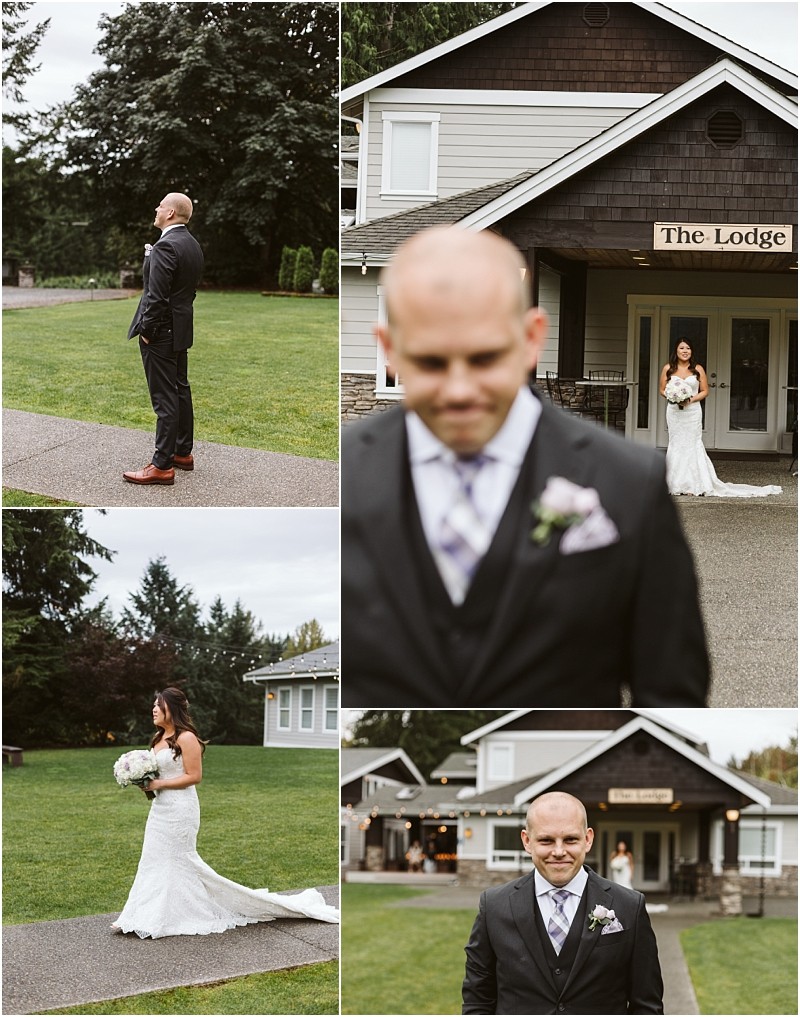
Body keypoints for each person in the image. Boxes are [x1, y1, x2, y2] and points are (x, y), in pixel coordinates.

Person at [342, 226, 709, 707]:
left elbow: (669, 692)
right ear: (389, 348)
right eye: (430, 362)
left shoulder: (629, 481)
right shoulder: (346, 474)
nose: (459, 391)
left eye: (485, 358)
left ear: (532, 339)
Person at [112, 687, 339, 938]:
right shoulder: (157, 739)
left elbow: (194, 776)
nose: (153, 709)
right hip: (160, 808)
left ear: (172, 709)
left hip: (181, 809)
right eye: (153, 704)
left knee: (177, 859)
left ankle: (171, 916)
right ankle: (142, 914)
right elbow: (159, 773)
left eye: (158, 704)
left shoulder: (186, 738)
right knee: (153, 858)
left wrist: (159, 784)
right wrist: (143, 780)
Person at [462, 792, 663, 1015]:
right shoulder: (493, 907)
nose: (559, 852)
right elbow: (477, 1001)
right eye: (546, 840)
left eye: (570, 839)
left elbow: (647, 1006)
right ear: (527, 841)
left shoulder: (630, 906)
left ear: (587, 839)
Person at [123, 193, 204, 486]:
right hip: (181, 328)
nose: (156, 209)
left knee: (164, 397)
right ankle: (182, 452)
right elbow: (188, 292)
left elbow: (156, 297)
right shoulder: (192, 244)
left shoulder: (166, 246)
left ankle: (161, 465)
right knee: (180, 388)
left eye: (160, 206)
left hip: (161, 333)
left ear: (170, 213)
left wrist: (147, 330)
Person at [659, 339, 782, 497]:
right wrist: (673, 397)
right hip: (674, 412)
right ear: (675, 351)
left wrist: (690, 399)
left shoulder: (697, 369)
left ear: (692, 351)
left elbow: (705, 391)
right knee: (676, 443)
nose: (685, 351)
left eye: (688, 348)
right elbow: (662, 389)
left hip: (692, 412)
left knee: (692, 443)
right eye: (681, 348)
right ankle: (673, 482)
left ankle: (694, 484)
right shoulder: (668, 368)